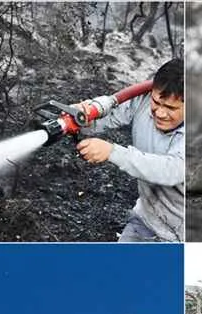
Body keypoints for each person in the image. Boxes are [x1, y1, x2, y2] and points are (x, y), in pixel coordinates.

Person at [75, 59, 185, 242]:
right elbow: (108, 116)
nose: (159, 113)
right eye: (156, 102)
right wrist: (81, 116)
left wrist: (112, 152)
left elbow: (172, 170)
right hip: (145, 221)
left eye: (171, 108)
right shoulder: (142, 100)